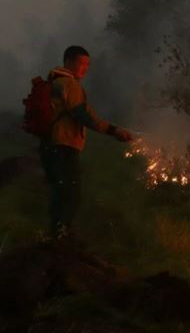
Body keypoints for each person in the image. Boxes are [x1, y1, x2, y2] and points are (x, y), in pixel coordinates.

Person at [40, 45, 133, 238]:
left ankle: (56, 232)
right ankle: (61, 234)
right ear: (68, 61)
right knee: (70, 193)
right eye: (81, 63)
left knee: (61, 191)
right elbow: (83, 115)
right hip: (63, 145)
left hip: (51, 145)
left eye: (87, 64)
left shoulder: (55, 82)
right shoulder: (69, 84)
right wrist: (114, 131)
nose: (85, 68)